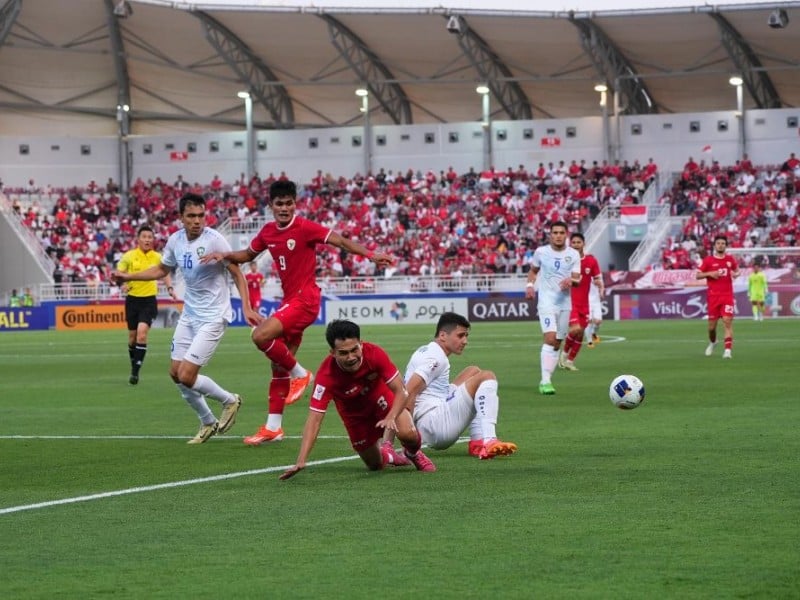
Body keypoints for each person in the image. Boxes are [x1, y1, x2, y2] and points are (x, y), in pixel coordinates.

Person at [200, 179, 394, 446]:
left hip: (305, 300)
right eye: (279, 204)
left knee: (259, 336)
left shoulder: (305, 227)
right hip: (290, 301)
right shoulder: (268, 232)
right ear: (271, 206)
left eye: (289, 203)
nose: (284, 208)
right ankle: (273, 427)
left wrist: (370, 254)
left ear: (295, 204)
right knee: (278, 365)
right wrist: (224, 255)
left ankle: (302, 374)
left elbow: (340, 241)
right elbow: (247, 254)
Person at [113, 193, 261, 443]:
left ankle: (230, 400)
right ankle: (207, 421)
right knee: (174, 372)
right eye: (191, 216)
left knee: (187, 375)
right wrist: (128, 278)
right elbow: (162, 269)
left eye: (201, 215)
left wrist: (246, 307)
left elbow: (236, 272)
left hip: (213, 316)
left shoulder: (215, 240)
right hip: (190, 315)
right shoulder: (175, 241)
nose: (197, 221)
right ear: (181, 217)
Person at [279, 319, 435, 480]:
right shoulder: (326, 376)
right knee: (374, 465)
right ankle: (390, 456)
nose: (351, 357)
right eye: (343, 353)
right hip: (354, 416)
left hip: (381, 400)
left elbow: (401, 391)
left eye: (354, 349)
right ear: (332, 352)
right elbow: (314, 419)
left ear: (361, 343)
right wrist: (301, 460)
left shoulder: (374, 354)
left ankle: (413, 453)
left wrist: (391, 416)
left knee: (408, 433)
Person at [382, 312, 517, 460]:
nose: (465, 341)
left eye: (466, 336)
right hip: (435, 425)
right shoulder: (436, 359)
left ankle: (477, 443)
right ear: (443, 336)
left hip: (430, 414)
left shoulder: (425, 349)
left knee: (473, 371)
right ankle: (490, 440)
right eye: (460, 336)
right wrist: (408, 440)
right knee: (486, 377)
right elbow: (408, 392)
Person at [524, 221, 581, 394]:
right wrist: (529, 285)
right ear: (550, 235)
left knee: (557, 343)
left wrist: (571, 281)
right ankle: (545, 381)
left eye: (561, 232)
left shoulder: (573, 255)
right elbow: (533, 271)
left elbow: (578, 279)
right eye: (555, 232)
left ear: (566, 235)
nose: (558, 235)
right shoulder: (541, 252)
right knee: (550, 339)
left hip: (564, 303)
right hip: (546, 302)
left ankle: (548, 376)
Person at [116, 225, 178, 385]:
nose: (147, 240)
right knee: (132, 338)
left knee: (142, 334)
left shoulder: (158, 257)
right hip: (132, 300)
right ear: (138, 239)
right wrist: (121, 284)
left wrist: (170, 288)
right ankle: (134, 365)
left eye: (150, 237)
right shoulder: (129, 256)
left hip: (149, 301)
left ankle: (135, 373)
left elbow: (165, 273)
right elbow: (119, 274)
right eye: (144, 236)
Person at [559, 233, 603, 371]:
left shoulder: (591, 261)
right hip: (569, 302)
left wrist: (598, 284)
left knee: (581, 333)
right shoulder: (566, 261)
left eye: (579, 242)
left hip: (585, 303)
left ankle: (570, 361)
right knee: (576, 329)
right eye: (574, 242)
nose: (576, 244)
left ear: (584, 243)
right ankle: (563, 355)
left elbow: (597, 277)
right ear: (570, 244)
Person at [696, 235, 740, 359]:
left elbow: (737, 271)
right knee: (711, 328)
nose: (721, 245)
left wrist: (736, 274)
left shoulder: (730, 259)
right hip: (713, 298)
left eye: (723, 243)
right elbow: (698, 275)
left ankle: (727, 351)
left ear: (725, 246)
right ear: (715, 246)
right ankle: (713, 342)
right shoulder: (708, 260)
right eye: (718, 243)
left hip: (727, 296)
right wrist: (710, 273)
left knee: (727, 322)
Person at [585, 277, 603, 348]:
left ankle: (593, 333)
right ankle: (589, 342)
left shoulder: (597, 275)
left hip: (596, 301)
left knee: (598, 321)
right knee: (588, 321)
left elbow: (601, 285)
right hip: (586, 301)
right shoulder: (582, 274)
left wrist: (601, 292)